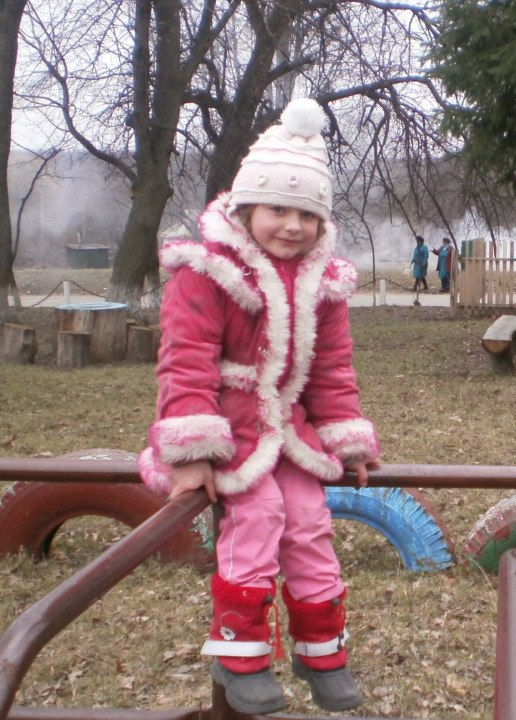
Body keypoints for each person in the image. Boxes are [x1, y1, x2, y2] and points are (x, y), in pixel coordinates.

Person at [138, 98, 381, 714]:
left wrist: (348, 439)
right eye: (278, 209)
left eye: (308, 214)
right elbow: (186, 361)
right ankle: (240, 653)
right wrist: (193, 453)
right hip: (229, 427)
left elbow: (331, 370)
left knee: (309, 520)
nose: (293, 226)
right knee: (259, 513)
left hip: (288, 431)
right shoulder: (208, 272)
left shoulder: (323, 284)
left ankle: (322, 652)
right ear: (246, 208)